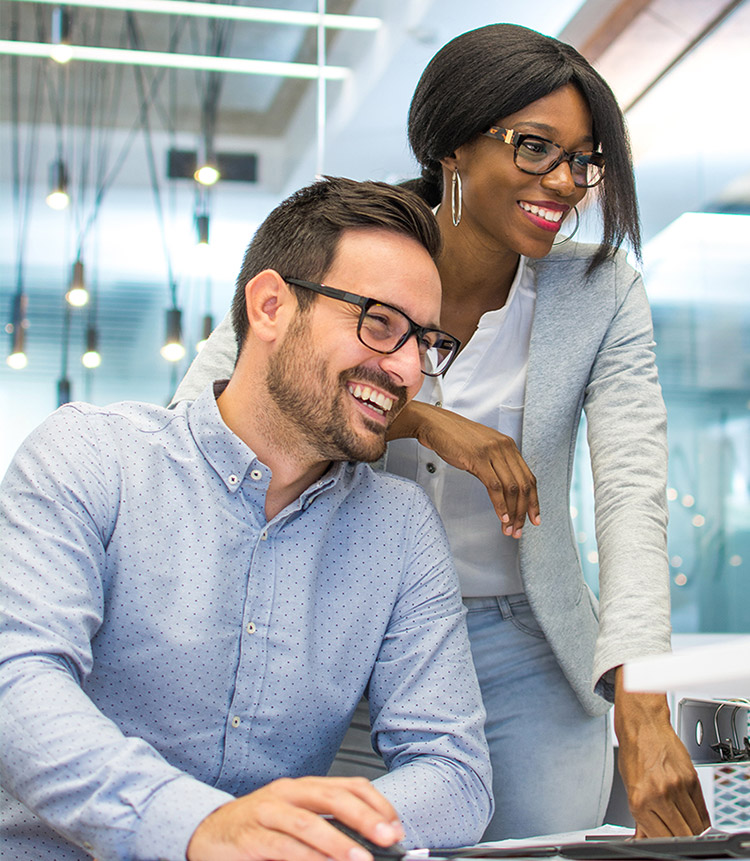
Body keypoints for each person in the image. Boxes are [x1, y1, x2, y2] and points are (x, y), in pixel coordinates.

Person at [172, 25, 711, 842]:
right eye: (535, 148)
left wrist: (642, 699)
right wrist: (423, 418)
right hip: (335, 625)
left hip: (524, 636)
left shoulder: (599, 290)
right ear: (453, 146)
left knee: (538, 843)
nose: (565, 181)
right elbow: (202, 410)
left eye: (583, 158)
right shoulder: (346, 246)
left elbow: (632, 494)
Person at [0, 177, 493, 861]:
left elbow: (456, 772)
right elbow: (16, 685)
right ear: (269, 306)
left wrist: (300, 836)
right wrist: (198, 826)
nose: (409, 368)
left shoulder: (399, 529)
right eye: (380, 323)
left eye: (426, 341)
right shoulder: (92, 457)